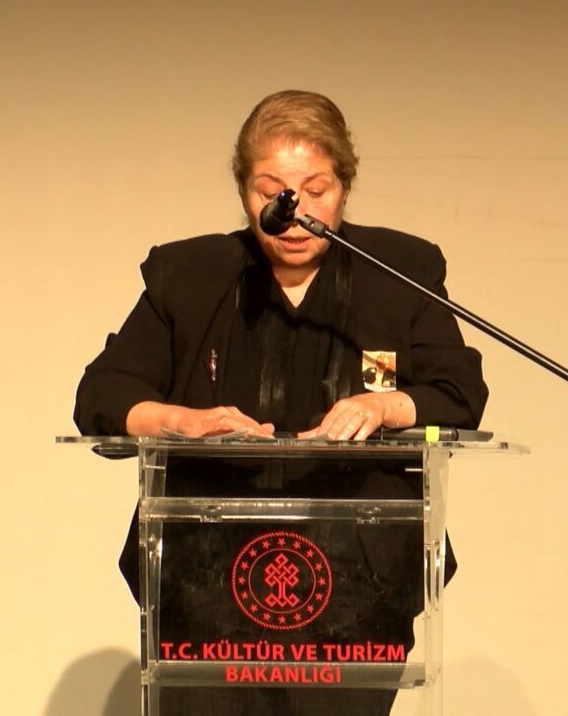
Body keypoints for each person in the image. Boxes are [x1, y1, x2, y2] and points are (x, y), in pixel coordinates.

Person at [74, 90, 487, 715]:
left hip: (357, 594)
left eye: (315, 191)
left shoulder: (398, 271)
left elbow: (459, 391)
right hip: (204, 588)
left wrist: (385, 407)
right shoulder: (190, 275)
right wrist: (182, 420)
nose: (294, 212)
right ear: (245, 192)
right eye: (272, 192)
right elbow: (101, 395)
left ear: (344, 187)